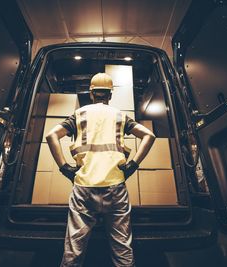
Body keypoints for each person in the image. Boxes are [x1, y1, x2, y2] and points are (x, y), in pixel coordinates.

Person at [46, 72, 156, 267]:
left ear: (91, 93)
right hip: (115, 186)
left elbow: (51, 135)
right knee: (122, 246)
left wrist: (65, 168)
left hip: (83, 187)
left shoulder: (79, 115)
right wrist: (133, 166)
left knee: (74, 247)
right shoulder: (120, 116)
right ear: (110, 95)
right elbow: (149, 135)